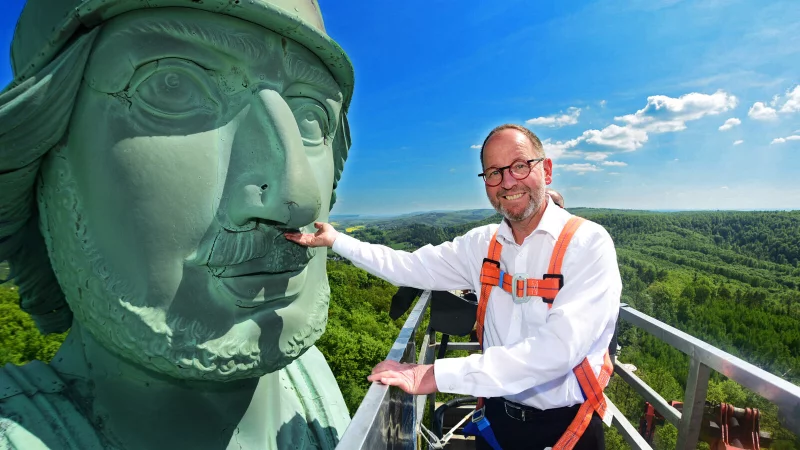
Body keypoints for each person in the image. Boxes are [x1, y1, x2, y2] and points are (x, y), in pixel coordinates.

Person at [0, 1, 354, 449]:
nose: (298, 197)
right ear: (44, 164)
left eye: (311, 117)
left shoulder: (311, 375)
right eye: (173, 87)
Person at [286, 124, 622, 450]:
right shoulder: (482, 246)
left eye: (520, 166)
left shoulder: (587, 244)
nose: (507, 182)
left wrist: (435, 374)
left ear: (546, 170)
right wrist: (336, 241)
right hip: (497, 422)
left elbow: (557, 352)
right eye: (494, 172)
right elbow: (408, 266)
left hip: (568, 426)